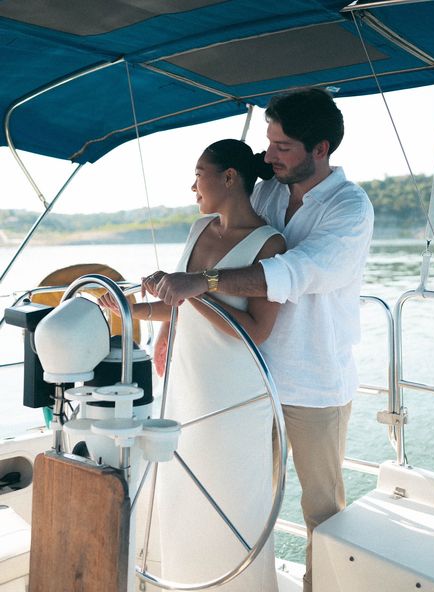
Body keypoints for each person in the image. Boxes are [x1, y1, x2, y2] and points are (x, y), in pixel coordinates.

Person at [142, 88, 374, 592]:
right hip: (250, 381)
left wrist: (201, 287)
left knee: (321, 506)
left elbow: (295, 270)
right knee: (247, 496)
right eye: (269, 142)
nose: (268, 156)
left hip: (314, 382)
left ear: (321, 149)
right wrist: (166, 325)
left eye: (283, 146)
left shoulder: (350, 209)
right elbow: (221, 239)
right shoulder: (267, 191)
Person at [101, 138, 285, 591]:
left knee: (233, 503)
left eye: (199, 173)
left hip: (235, 399)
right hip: (184, 386)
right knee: (183, 497)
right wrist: (129, 310)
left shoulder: (270, 243)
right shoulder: (199, 227)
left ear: (229, 177)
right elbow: (180, 304)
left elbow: (256, 331)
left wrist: (191, 290)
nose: (192, 185)